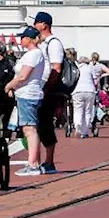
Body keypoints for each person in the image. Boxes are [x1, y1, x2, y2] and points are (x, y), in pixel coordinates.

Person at [5, 27, 47, 175]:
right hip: (25, 94)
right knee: (29, 128)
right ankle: (34, 162)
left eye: (22, 37)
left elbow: (23, 76)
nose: (20, 40)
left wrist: (9, 86)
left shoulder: (33, 54)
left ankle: (33, 164)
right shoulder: (31, 54)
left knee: (29, 129)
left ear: (28, 39)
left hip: (28, 95)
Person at [32, 12, 65, 174]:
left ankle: (49, 161)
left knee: (45, 125)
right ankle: (38, 160)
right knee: (38, 125)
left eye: (37, 23)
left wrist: (46, 89)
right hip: (41, 89)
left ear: (44, 25)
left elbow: (56, 68)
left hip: (48, 91)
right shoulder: (44, 43)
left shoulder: (54, 43)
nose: (34, 26)